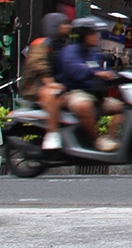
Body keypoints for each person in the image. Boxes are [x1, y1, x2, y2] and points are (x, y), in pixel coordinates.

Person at [57, 18, 123, 152]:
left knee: (123, 107)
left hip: (94, 94)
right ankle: (97, 141)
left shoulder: (93, 54)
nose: (96, 37)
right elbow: (75, 70)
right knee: (84, 105)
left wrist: (112, 75)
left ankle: (110, 138)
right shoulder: (70, 52)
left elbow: (102, 71)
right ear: (83, 35)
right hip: (74, 93)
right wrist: (95, 73)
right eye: (92, 34)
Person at [19, 13, 71, 150]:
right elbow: (40, 65)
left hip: (61, 85)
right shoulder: (41, 44)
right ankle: (52, 134)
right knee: (54, 95)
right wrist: (51, 83)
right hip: (38, 87)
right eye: (63, 24)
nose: (67, 27)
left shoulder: (63, 45)